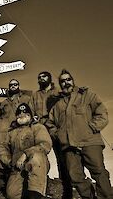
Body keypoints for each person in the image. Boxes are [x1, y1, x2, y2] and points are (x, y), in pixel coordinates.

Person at [46, 69, 112, 199]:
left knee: (99, 173)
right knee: (75, 177)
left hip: (90, 142)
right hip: (69, 146)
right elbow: (50, 123)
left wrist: (91, 127)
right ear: (60, 84)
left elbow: (102, 113)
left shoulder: (87, 95)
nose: (66, 83)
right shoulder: (58, 104)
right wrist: (58, 134)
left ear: (73, 81)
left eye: (68, 79)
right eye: (63, 81)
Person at [31, 71, 73, 199]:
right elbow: (31, 111)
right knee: (39, 156)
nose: (41, 79)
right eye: (39, 77)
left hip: (56, 127)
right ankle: (40, 189)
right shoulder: (35, 95)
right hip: (41, 128)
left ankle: (68, 191)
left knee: (62, 159)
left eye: (44, 76)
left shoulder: (57, 94)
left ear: (50, 78)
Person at [0, 103, 52, 199]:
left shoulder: (38, 127)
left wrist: (25, 154)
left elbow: (45, 145)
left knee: (37, 157)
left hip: (36, 165)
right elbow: (3, 148)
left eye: (26, 114)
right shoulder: (11, 132)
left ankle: (36, 194)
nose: (22, 115)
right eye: (19, 114)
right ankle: (28, 190)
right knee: (12, 194)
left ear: (30, 116)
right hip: (18, 167)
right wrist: (9, 161)